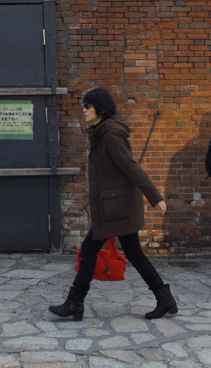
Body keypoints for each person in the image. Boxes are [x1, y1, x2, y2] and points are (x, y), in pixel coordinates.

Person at [49, 88, 177, 321]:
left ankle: (75, 303)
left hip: (116, 207)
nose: (84, 110)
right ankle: (163, 297)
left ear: (102, 109)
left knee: (90, 251)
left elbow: (130, 166)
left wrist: (154, 196)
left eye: (88, 106)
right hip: (113, 205)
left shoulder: (109, 135)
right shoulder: (101, 132)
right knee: (132, 253)